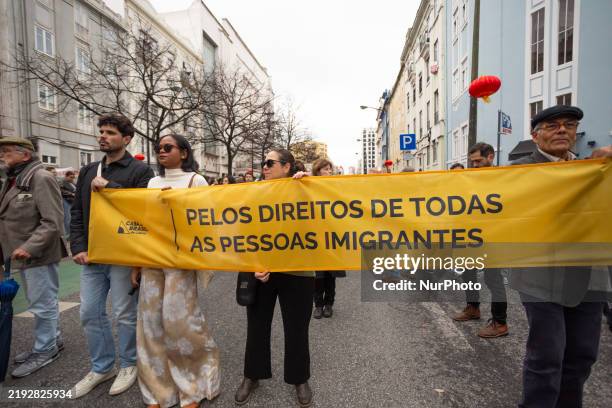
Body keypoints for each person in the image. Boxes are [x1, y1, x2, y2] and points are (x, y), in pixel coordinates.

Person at [511, 105, 612, 407]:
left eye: (569, 125)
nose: (562, 130)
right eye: (552, 126)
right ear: (535, 135)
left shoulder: (595, 171)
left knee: (582, 356)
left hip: (587, 273)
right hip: (539, 275)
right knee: (547, 356)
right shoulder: (518, 172)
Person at [130, 134, 218, 408]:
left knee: (180, 322)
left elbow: (206, 221)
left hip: (181, 259)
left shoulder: (196, 180)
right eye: (159, 148)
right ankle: (159, 390)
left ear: (183, 152)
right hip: (153, 258)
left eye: (167, 147)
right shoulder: (153, 182)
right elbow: (145, 222)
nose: (161, 152)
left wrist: (179, 206)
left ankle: (192, 388)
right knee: (150, 325)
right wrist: (137, 261)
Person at [70, 113, 154, 399]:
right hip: (92, 256)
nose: (103, 136)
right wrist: (78, 246)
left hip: (121, 255)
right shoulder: (88, 170)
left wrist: (112, 188)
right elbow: (78, 212)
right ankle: (102, 367)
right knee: (89, 312)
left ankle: (129, 364)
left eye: (110, 133)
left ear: (126, 139)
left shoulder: (141, 171)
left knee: (124, 314)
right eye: (101, 131)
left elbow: (144, 211)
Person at [234, 149, 315, 408]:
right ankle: (252, 375)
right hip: (262, 270)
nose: (264, 167)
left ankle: (299, 378)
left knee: (297, 328)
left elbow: (324, 217)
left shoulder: (303, 187)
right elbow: (243, 230)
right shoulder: (252, 193)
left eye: (270, 163)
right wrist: (251, 263)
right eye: (263, 163)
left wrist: (311, 184)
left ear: (287, 166)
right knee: (257, 326)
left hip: (298, 271)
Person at [0, 137, 67, 378]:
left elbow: (53, 222)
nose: (2, 156)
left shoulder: (40, 178)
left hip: (37, 253)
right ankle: (53, 340)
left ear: (25, 155)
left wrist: (30, 246)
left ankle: (45, 349)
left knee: (42, 302)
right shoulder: (15, 177)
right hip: (21, 253)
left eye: (7, 152)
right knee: (41, 301)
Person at [452, 142, 509, 338]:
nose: (475, 166)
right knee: (468, 274)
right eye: (472, 162)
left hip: (493, 237)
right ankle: (473, 308)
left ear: (491, 157)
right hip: (471, 236)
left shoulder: (502, 178)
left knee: (493, 279)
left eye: (478, 161)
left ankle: (500, 322)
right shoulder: (469, 179)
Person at [310, 159, 346, 319]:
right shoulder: (310, 186)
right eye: (325, 169)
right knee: (318, 276)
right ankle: (318, 305)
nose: (329, 172)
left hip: (332, 237)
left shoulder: (336, 186)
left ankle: (329, 304)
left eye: (330, 169)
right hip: (316, 238)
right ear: (317, 171)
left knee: (331, 276)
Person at [60, 171, 77, 241]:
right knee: (67, 218)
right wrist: (71, 194)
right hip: (66, 201)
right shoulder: (62, 182)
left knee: (71, 218)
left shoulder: (72, 183)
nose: (72, 178)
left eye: (73, 177)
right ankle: (67, 235)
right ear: (66, 176)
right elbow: (61, 191)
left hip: (72, 201)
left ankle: (70, 234)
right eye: (71, 177)